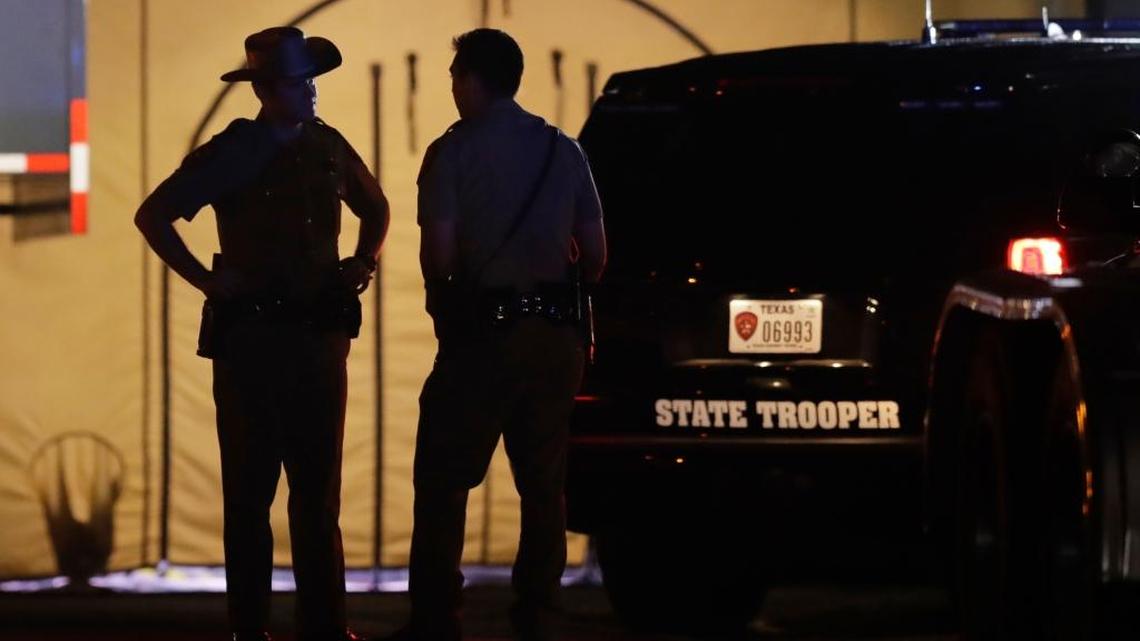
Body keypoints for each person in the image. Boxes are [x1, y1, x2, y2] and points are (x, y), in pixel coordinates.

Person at [134, 26, 388, 641]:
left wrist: (364, 259)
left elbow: (375, 206)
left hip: (317, 341)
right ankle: (249, 629)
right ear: (270, 90)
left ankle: (325, 627)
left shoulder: (327, 146)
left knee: (316, 495)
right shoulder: (232, 153)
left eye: (310, 81)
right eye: (300, 83)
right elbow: (153, 215)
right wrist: (205, 280)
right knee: (249, 497)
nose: (311, 93)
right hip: (251, 344)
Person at [399, 28, 606, 641]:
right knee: (543, 485)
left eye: (456, 77)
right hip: (554, 342)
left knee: (442, 479)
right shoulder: (562, 150)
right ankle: (538, 614)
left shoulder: (453, 153)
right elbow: (595, 256)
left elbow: (439, 257)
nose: (453, 89)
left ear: (472, 81)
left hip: (481, 341)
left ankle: (437, 619)